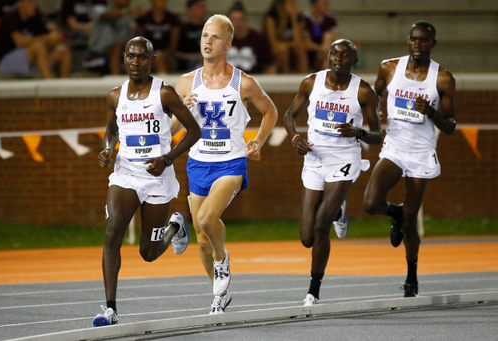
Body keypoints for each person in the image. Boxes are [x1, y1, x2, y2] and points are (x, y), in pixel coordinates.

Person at [173, 14, 278, 314]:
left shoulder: (242, 82)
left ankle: (223, 260)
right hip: (198, 163)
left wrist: (257, 141)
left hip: (231, 163)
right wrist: (182, 111)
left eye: (215, 37)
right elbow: (170, 128)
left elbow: (270, 112)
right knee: (202, 240)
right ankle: (218, 295)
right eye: (205, 35)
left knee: (207, 220)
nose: (208, 41)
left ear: (228, 44)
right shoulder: (185, 82)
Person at [93, 36, 201, 326]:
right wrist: (107, 148)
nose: (135, 62)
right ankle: (110, 309)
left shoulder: (164, 93)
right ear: (124, 59)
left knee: (148, 254)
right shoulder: (115, 96)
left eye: (142, 57)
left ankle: (176, 225)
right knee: (113, 229)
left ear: (152, 61)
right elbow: (111, 129)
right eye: (130, 56)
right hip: (126, 173)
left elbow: (193, 131)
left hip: (157, 177)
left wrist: (167, 159)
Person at [283, 39, 382, 305]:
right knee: (306, 238)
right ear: (328, 56)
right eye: (334, 53)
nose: (339, 58)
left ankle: (313, 291)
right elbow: (288, 116)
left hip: (344, 158)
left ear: (354, 60)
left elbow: (377, 135)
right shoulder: (310, 82)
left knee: (321, 224)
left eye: (345, 55)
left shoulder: (363, 91)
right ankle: (339, 209)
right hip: (314, 157)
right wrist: (295, 139)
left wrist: (359, 132)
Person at [363, 21, 457, 297]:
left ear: (433, 44)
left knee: (410, 221)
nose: (418, 44)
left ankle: (411, 277)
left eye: (424, 40)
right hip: (394, 146)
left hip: (421, 152)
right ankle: (394, 211)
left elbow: (451, 126)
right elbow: (371, 96)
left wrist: (432, 113)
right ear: (408, 41)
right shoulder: (390, 67)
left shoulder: (443, 79)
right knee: (370, 203)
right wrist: (373, 121)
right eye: (414, 39)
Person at [0, 0, 71, 79]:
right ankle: (49, 81)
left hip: (31, 61)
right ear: (20, 4)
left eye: (34, 3)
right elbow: (19, 42)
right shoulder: (10, 17)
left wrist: (55, 37)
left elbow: (47, 36)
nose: (34, 6)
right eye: (30, 3)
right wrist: (47, 38)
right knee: (38, 46)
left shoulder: (35, 17)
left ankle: (64, 85)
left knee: (63, 51)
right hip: (7, 61)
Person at [83, 0, 140, 75]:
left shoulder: (127, 20)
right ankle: (115, 79)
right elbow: (109, 16)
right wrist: (126, 12)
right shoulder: (99, 9)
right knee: (116, 48)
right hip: (97, 56)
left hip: (118, 57)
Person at [226, 1, 276, 74]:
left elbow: (271, 64)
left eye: (241, 19)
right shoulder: (221, 40)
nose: (237, 24)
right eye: (234, 20)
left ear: (246, 20)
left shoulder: (258, 38)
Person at [135, 0, 181, 74]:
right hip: (147, 56)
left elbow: (174, 44)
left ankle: (162, 83)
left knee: (158, 57)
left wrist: (162, 54)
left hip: (168, 56)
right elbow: (140, 42)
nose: (162, 2)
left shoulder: (173, 19)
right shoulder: (144, 18)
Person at [263, 0, 308, 74]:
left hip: (291, 48)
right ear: (282, 5)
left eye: (295, 3)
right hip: (275, 50)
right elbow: (273, 43)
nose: (294, 6)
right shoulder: (271, 17)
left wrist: (294, 19)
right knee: (283, 50)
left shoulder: (299, 18)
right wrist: (291, 44)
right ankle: (285, 75)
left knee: (300, 48)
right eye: (291, 3)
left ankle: (304, 76)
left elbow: (298, 41)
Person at [302, 0, 339, 71]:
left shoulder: (330, 19)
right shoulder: (304, 18)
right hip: (309, 52)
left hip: (324, 53)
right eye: (324, 3)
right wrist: (322, 49)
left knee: (328, 36)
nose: (327, 5)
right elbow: (306, 42)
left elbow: (336, 38)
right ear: (314, 4)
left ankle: (326, 68)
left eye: (327, 3)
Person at [175, 0, 206, 72]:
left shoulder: (210, 27)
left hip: (205, 60)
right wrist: (191, 57)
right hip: (185, 61)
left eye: (204, 7)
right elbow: (175, 51)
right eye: (200, 7)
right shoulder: (182, 28)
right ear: (190, 10)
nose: (203, 9)